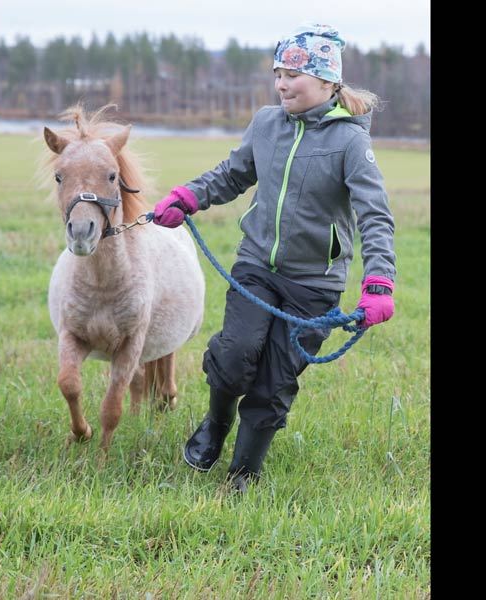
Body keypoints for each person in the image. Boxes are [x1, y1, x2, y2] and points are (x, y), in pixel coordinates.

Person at [152, 23, 396, 492]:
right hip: (256, 268)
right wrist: (188, 197)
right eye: (278, 73)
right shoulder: (266, 123)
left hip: (313, 285)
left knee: (272, 383)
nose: (282, 83)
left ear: (327, 82)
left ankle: (244, 474)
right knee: (233, 356)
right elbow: (231, 174)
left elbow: (375, 217)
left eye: (293, 75)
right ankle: (214, 427)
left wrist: (379, 282)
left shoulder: (350, 143)